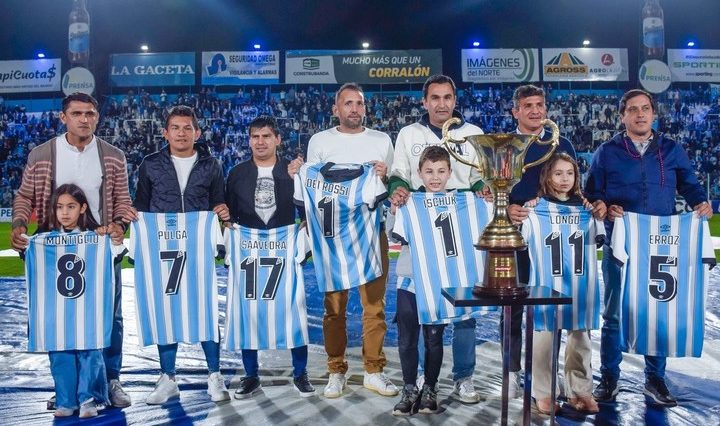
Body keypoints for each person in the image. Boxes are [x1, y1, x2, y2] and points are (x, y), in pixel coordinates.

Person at [586, 89, 712, 407]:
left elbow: (691, 185)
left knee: (657, 312)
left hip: (660, 243)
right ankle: (609, 378)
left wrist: (701, 202)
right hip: (621, 243)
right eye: (632, 109)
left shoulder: (671, 149)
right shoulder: (607, 151)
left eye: (645, 108)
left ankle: (655, 379)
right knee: (613, 314)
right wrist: (603, 206)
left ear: (654, 113)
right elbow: (591, 193)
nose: (640, 114)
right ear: (622, 115)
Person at [11, 93, 133, 409]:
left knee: (109, 316)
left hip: (99, 250)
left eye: (90, 113)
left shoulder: (112, 155)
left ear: (97, 117)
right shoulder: (41, 154)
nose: (84, 119)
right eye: (77, 113)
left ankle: (109, 379)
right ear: (63, 118)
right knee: (60, 318)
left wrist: (119, 224)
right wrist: (19, 224)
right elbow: (24, 196)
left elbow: (123, 200)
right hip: (55, 250)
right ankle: (67, 389)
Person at [122, 105, 231, 404]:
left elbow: (218, 201)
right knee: (165, 308)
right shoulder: (150, 163)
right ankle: (168, 377)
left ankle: (214, 375)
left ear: (197, 132)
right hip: (163, 246)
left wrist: (222, 212)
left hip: (196, 246)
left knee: (206, 307)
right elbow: (142, 205)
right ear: (165, 132)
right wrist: (134, 221)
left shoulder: (212, 165)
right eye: (175, 128)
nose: (181, 133)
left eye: (187, 128)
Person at [388, 74, 485, 403]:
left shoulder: (473, 134)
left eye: (447, 97)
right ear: (424, 101)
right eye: (435, 98)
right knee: (417, 312)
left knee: (465, 309)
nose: (441, 103)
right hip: (423, 225)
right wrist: (398, 190)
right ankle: (418, 378)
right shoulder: (409, 134)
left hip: (461, 224)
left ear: (455, 101)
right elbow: (398, 173)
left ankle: (464, 376)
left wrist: (482, 191)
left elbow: (479, 178)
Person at [297, 82, 397, 399]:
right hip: (331, 236)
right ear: (335, 109)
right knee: (333, 309)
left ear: (365, 108)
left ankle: (373, 370)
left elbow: (392, 184)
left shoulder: (382, 140)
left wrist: (386, 175)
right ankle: (336, 369)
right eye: (348, 103)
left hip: (371, 232)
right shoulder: (320, 141)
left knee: (374, 307)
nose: (354, 108)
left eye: (359, 103)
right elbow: (312, 190)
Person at [506, 85, 588, 398]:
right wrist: (508, 206)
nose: (535, 111)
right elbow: (494, 186)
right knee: (515, 305)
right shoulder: (507, 144)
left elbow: (574, 187)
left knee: (561, 303)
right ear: (516, 111)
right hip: (518, 236)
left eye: (540, 104)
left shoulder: (561, 142)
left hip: (557, 238)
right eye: (528, 105)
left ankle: (557, 376)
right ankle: (513, 371)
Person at [225, 116, 314, 398]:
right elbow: (228, 213)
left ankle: (300, 373)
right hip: (249, 250)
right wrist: (229, 229)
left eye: (266, 136)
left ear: (277, 139)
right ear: (249, 140)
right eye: (255, 136)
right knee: (247, 310)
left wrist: (303, 228)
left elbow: (306, 210)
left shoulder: (292, 171)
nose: (260, 141)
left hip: (283, 247)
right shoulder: (237, 173)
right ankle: (251, 375)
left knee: (293, 310)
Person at [27, 184, 124, 418]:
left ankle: (89, 399)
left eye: (71, 206)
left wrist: (114, 237)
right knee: (60, 353)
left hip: (87, 310)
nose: (64, 212)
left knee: (90, 352)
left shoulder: (97, 238)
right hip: (59, 311)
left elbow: (119, 252)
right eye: (59, 207)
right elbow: (28, 255)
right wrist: (24, 243)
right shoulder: (41, 240)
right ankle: (66, 400)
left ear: (82, 208)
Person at [521, 153, 605, 415]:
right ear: (547, 176)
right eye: (558, 173)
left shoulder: (587, 210)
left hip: (581, 283)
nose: (565, 178)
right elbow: (523, 242)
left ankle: (580, 390)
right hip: (546, 283)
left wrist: (597, 212)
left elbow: (599, 238)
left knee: (580, 338)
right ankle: (543, 392)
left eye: (570, 173)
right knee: (544, 338)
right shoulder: (533, 209)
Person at [389, 146, 454, 415]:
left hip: (440, 280)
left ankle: (430, 387)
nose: (435, 177)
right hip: (410, 278)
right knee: (406, 337)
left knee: (434, 337)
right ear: (419, 173)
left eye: (441, 171)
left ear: (450, 173)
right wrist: (394, 209)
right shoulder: (409, 200)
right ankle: (408, 388)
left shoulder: (458, 203)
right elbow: (393, 235)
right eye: (429, 171)